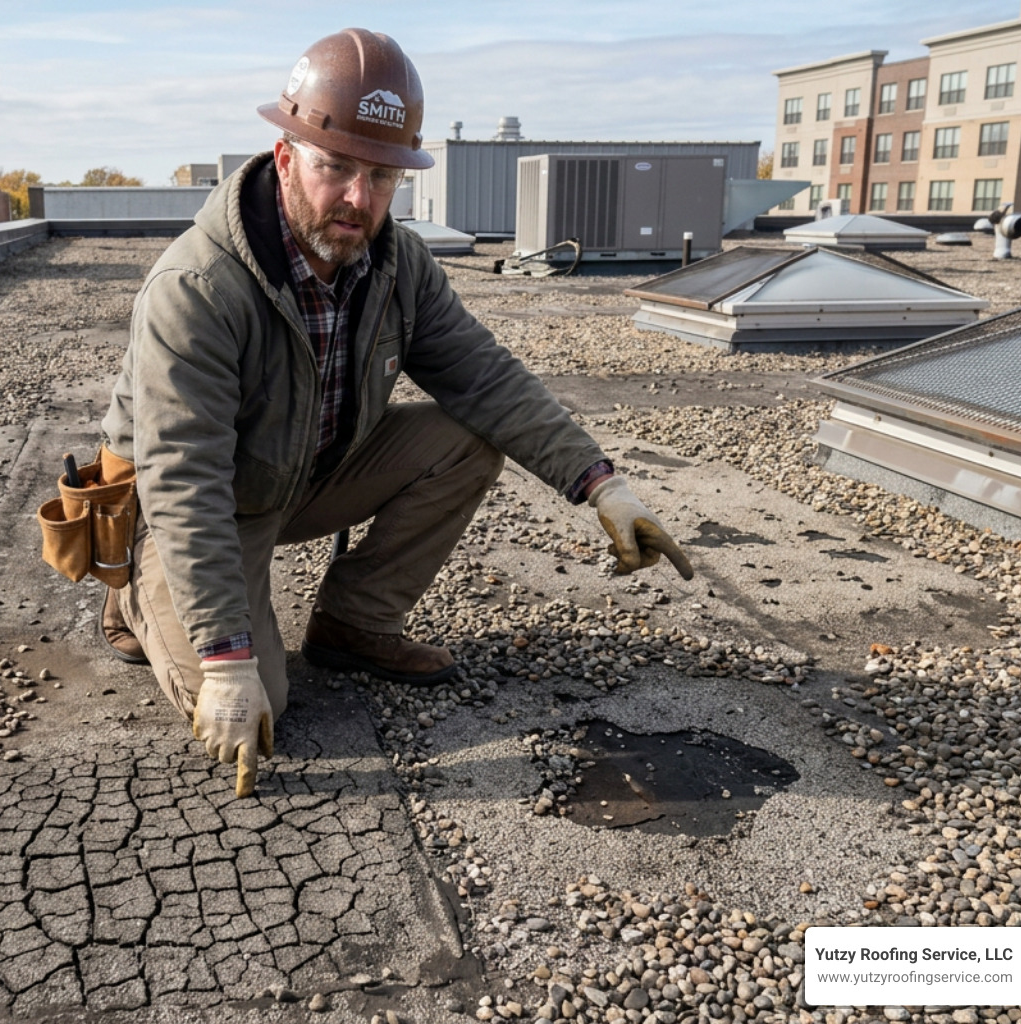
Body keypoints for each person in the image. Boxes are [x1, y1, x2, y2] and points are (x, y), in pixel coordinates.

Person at [100, 28, 693, 796]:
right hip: (207, 500)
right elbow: (185, 477)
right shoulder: (199, 288)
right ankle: (131, 593)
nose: (358, 197)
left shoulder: (395, 262)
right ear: (286, 156)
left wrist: (602, 486)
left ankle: (353, 626)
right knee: (261, 705)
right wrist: (224, 659)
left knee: (465, 438)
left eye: (381, 176)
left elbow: (486, 377)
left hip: (307, 472)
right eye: (335, 166)